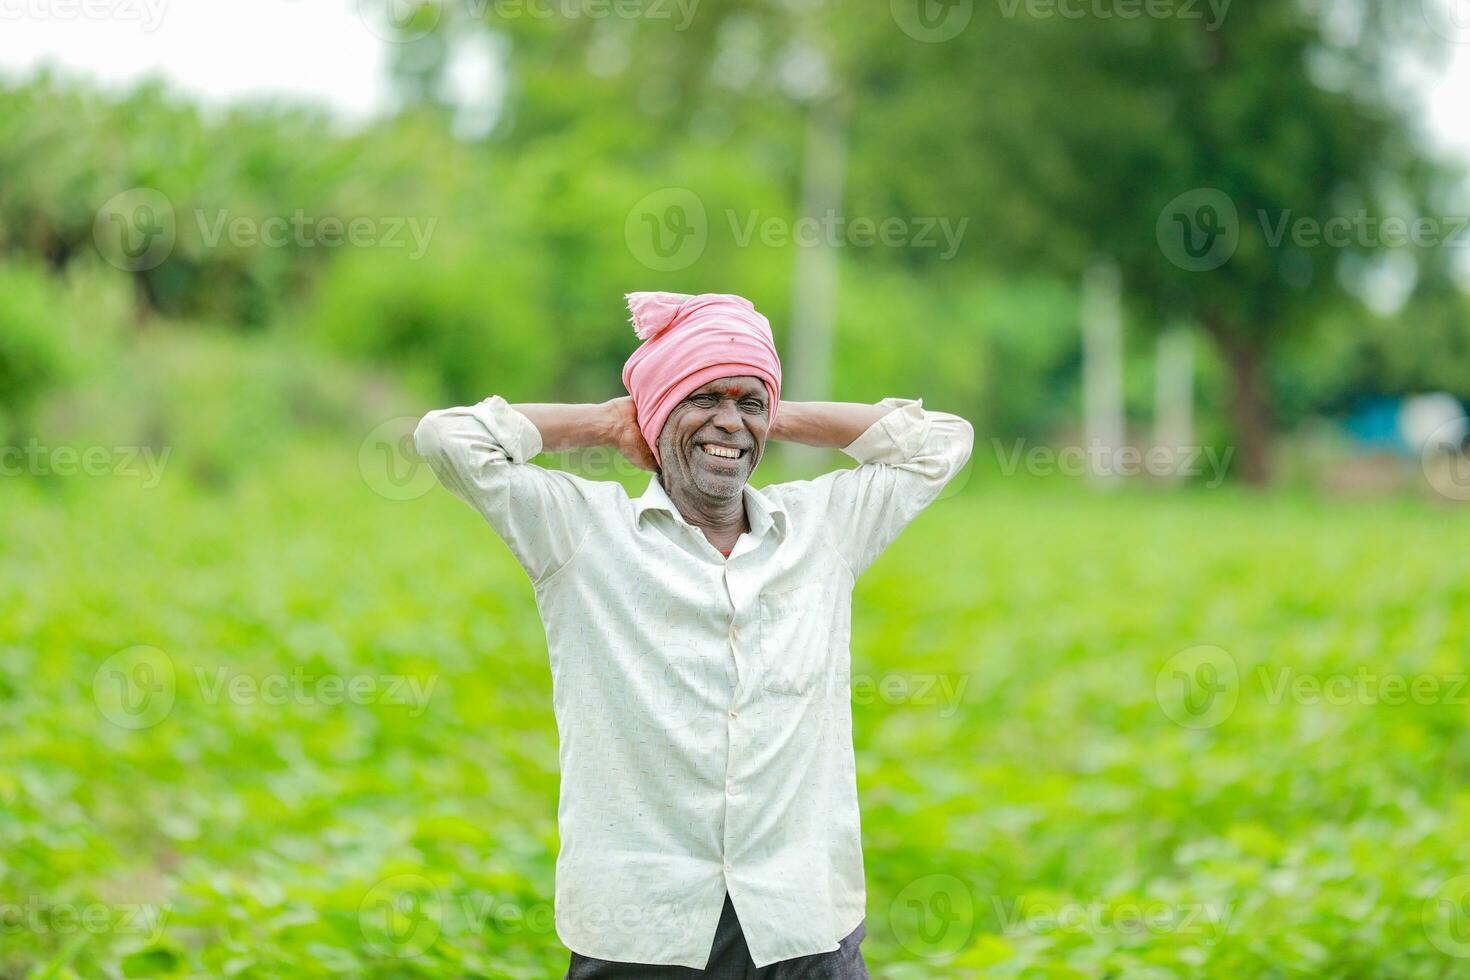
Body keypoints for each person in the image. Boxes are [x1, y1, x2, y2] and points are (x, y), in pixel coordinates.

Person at [413, 291, 973, 977]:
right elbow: (447, 439)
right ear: (656, 415)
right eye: (702, 398)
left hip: (801, 924)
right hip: (643, 931)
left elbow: (942, 441)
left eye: (748, 403)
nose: (729, 424)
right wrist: (611, 422)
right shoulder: (583, 533)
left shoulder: (822, 528)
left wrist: (774, 413)